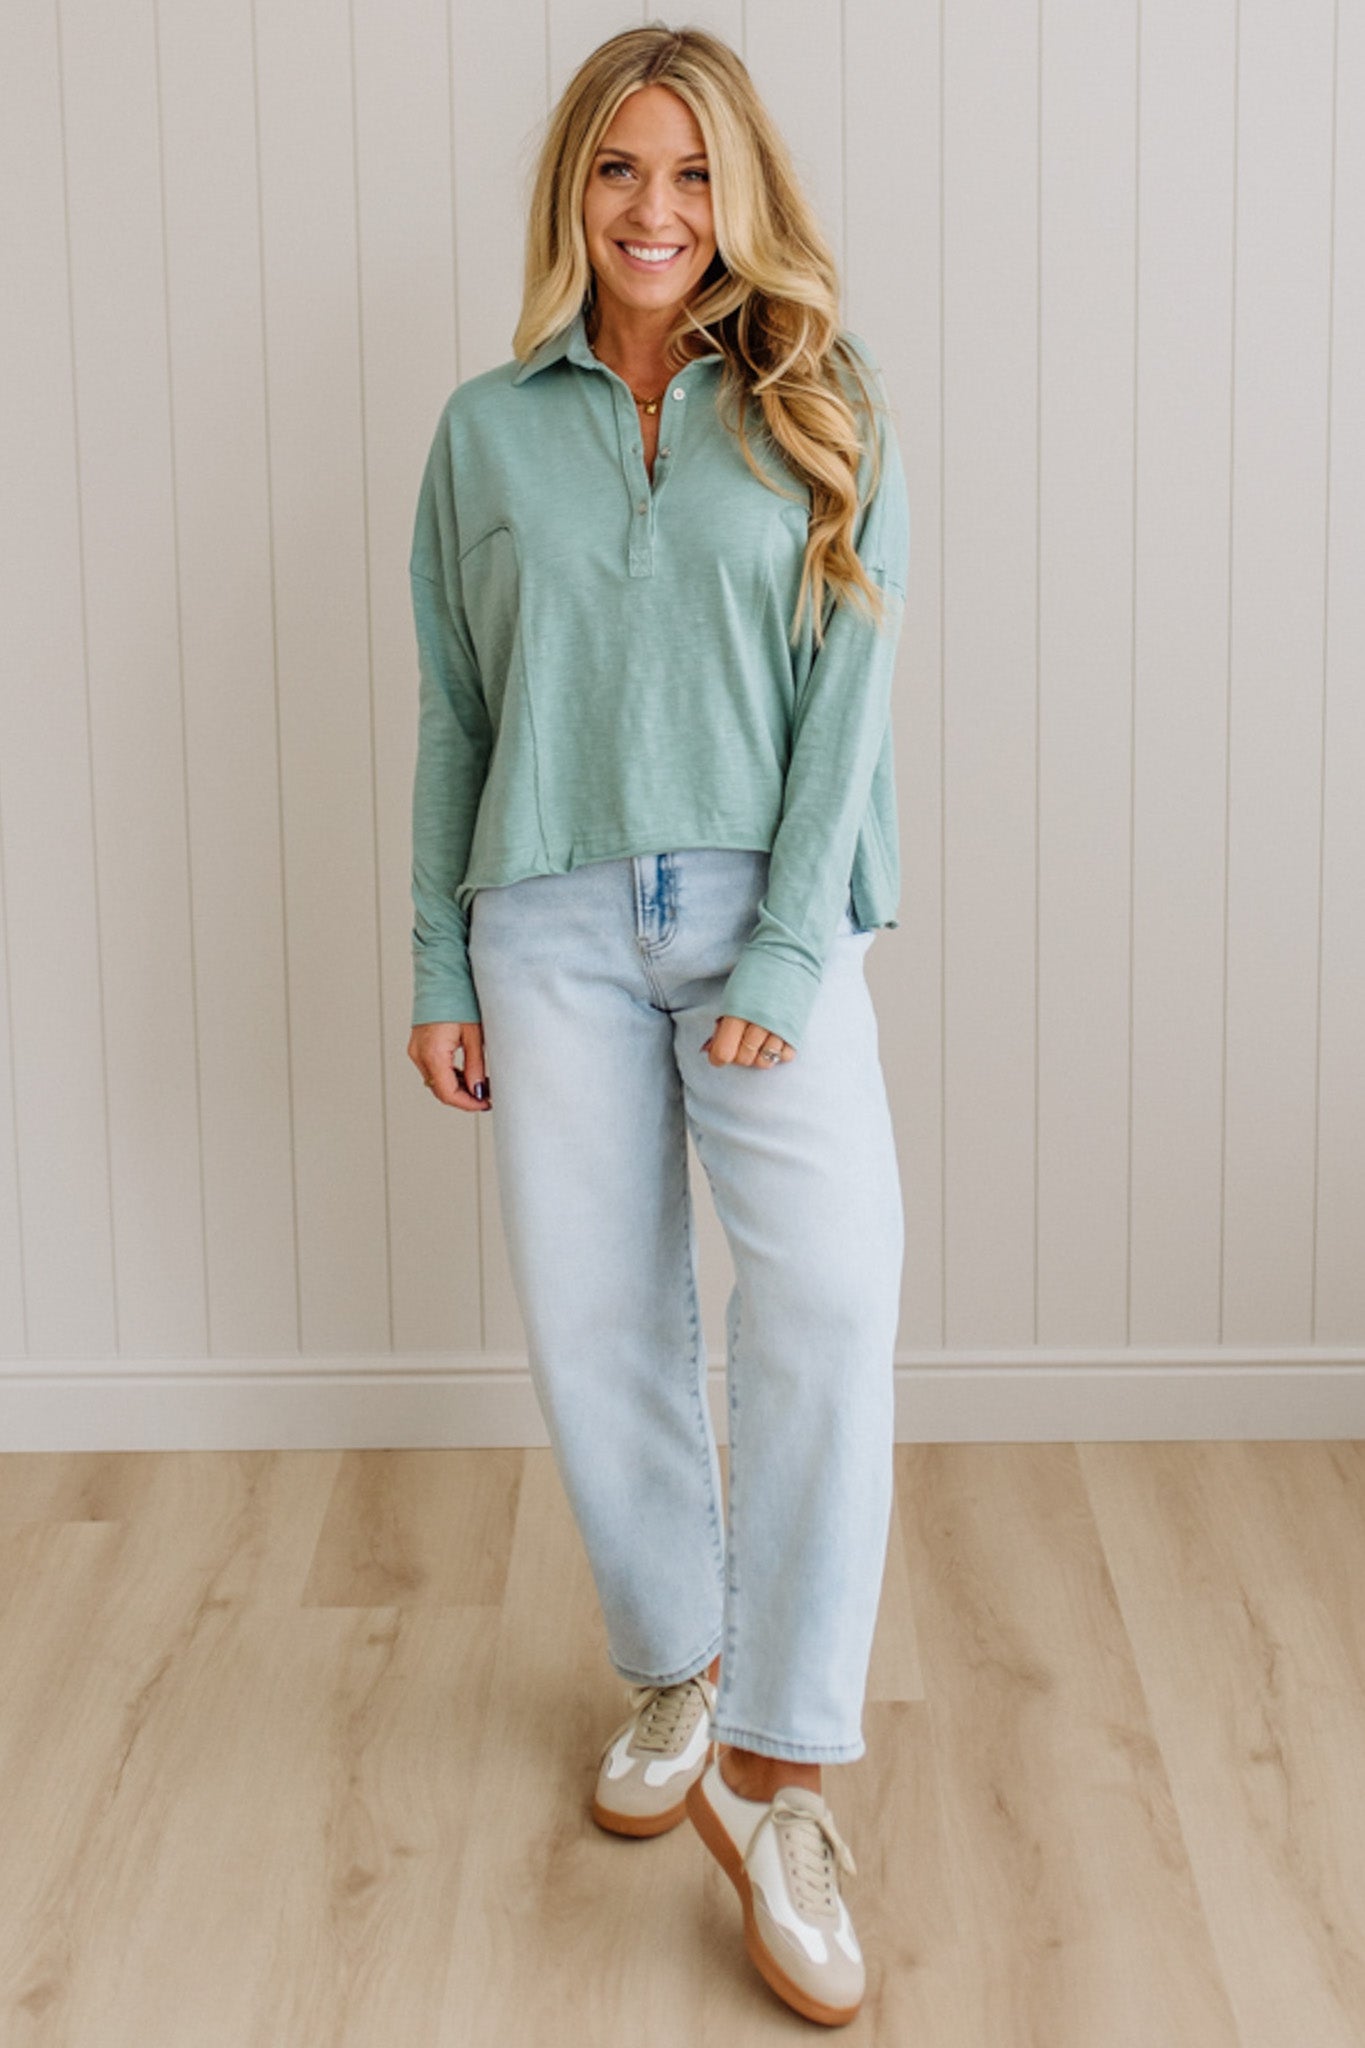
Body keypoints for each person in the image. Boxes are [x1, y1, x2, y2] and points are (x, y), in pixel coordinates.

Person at [406, 23, 908, 2029]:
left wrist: (786, 954)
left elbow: (849, 704)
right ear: (572, 192)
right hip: (540, 923)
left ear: (739, 198)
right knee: (599, 1321)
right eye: (619, 169)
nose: (654, 209)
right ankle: (672, 1671)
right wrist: (438, 965)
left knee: (830, 1299)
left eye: (693, 174)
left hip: (760, 915)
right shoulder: (482, 432)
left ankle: (780, 1775)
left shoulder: (821, 402)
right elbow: (456, 709)